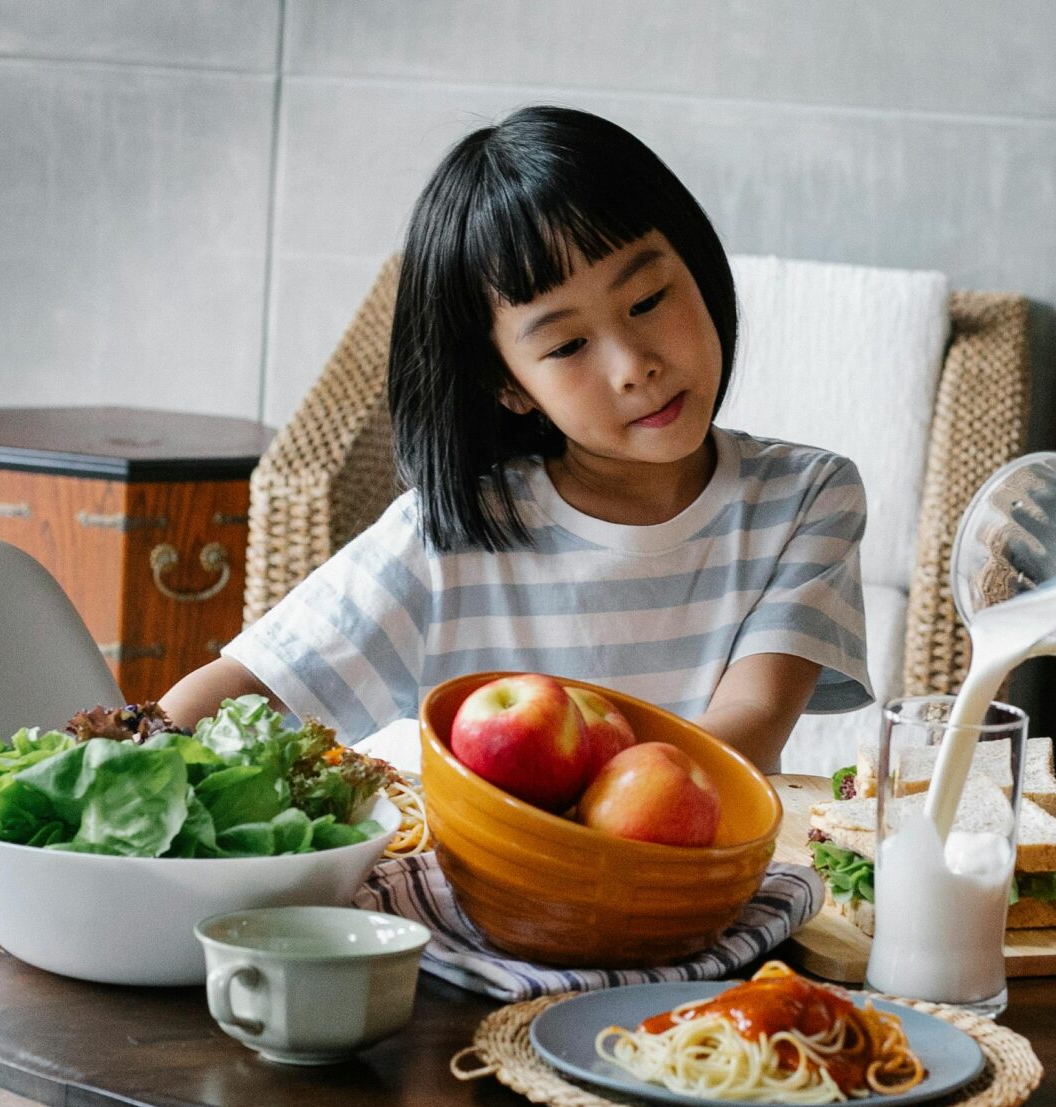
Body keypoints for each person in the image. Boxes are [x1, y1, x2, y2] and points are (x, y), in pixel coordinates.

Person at [161, 106, 872, 773]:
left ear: (697, 265)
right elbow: (221, 700)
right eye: (567, 345)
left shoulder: (805, 498)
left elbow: (748, 723)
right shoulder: (446, 538)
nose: (634, 367)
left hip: (697, 898)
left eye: (649, 300)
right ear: (508, 383)